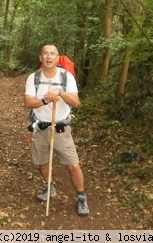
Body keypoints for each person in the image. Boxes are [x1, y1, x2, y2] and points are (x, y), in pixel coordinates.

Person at [24, 44, 89, 216]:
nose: (49, 57)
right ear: (41, 58)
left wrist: (60, 93)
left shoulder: (67, 78)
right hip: (40, 126)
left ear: (57, 57)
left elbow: (75, 102)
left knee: (73, 165)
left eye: (52, 54)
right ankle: (49, 185)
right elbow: (28, 103)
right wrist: (46, 100)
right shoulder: (34, 78)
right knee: (42, 162)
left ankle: (81, 196)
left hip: (61, 127)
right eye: (45, 54)